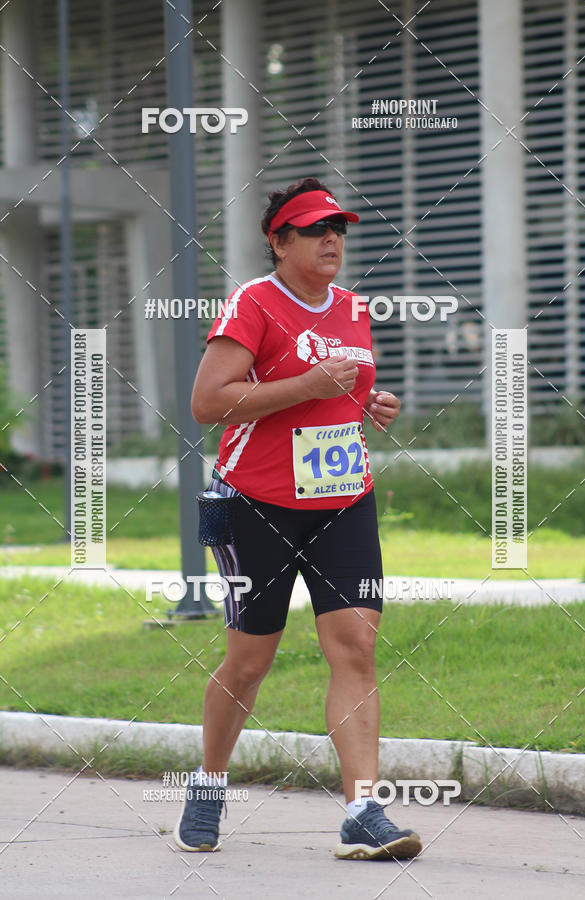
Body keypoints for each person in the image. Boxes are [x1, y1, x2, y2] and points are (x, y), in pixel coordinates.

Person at [174, 176, 422, 861]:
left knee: (356, 648)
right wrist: (309, 387)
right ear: (278, 242)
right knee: (250, 660)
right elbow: (208, 401)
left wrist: (373, 405)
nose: (331, 240)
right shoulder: (254, 303)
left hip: (342, 497)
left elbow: (347, 390)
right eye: (315, 230)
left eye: (337, 228)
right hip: (257, 503)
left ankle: (362, 810)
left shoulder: (352, 307)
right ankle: (208, 784)